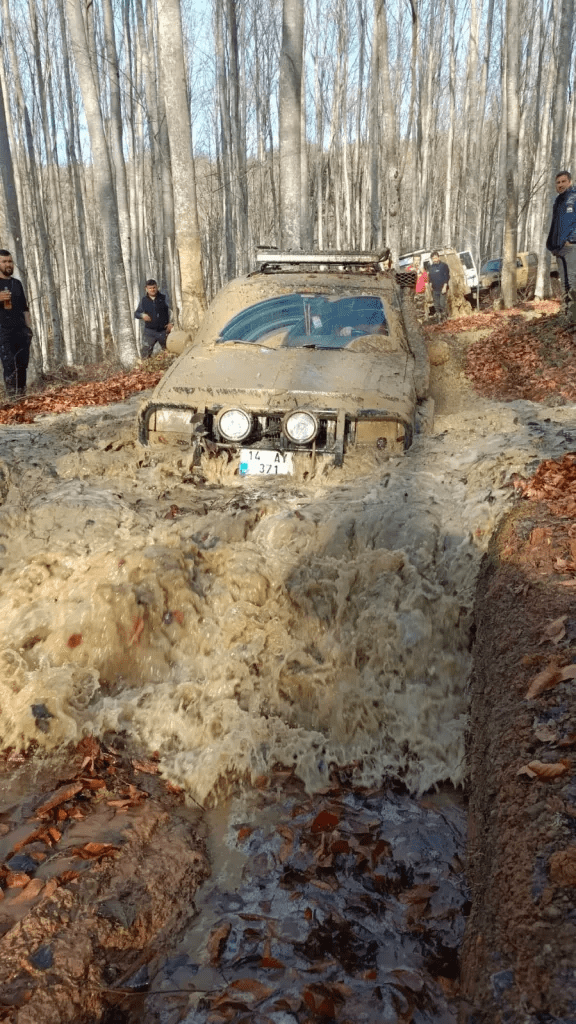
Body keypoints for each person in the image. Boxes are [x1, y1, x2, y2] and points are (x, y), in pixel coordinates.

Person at [0, 250, 33, 398]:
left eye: (10, 261)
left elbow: (25, 308)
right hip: (3, 331)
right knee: (9, 366)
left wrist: (29, 330)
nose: (8, 264)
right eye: (4, 261)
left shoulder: (16, 283)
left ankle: (22, 398)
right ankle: (13, 401)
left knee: (22, 366)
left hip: (20, 330)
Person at [546, 170, 576, 314]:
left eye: (563, 181)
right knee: (564, 282)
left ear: (570, 182)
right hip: (559, 248)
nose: (560, 185)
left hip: (571, 247)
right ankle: (566, 311)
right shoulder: (558, 201)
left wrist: (571, 240)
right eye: (558, 183)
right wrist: (552, 245)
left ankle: (573, 312)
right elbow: (555, 225)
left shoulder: (574, 197)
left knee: (572, 280)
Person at [134, 279, 173, 358]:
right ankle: (145, 369)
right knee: (145, 354)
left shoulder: (164, 298)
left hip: (163, 331)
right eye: (150, 288)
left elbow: (174, 310)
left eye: (154, 287)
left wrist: (171, 323)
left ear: (157, 287)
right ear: (146, 289)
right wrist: (142, 316)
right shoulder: (144, 301)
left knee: (169, 352)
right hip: (149, 332)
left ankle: (169, 368)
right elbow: (136, 313)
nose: (152, 290)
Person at [427, 251, 450, 322]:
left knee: (442, 304)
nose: (435, 259)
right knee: (436, 305)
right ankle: (439, 319)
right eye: (433, 258)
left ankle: (444, 318)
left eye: (436, 258)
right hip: (434, 289)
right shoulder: (431, 267)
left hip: (442, 288)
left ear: (438, 257)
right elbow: (430, 277)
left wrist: (445, 286)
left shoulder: (444, 265)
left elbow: (447, 276)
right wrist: (430, 285)